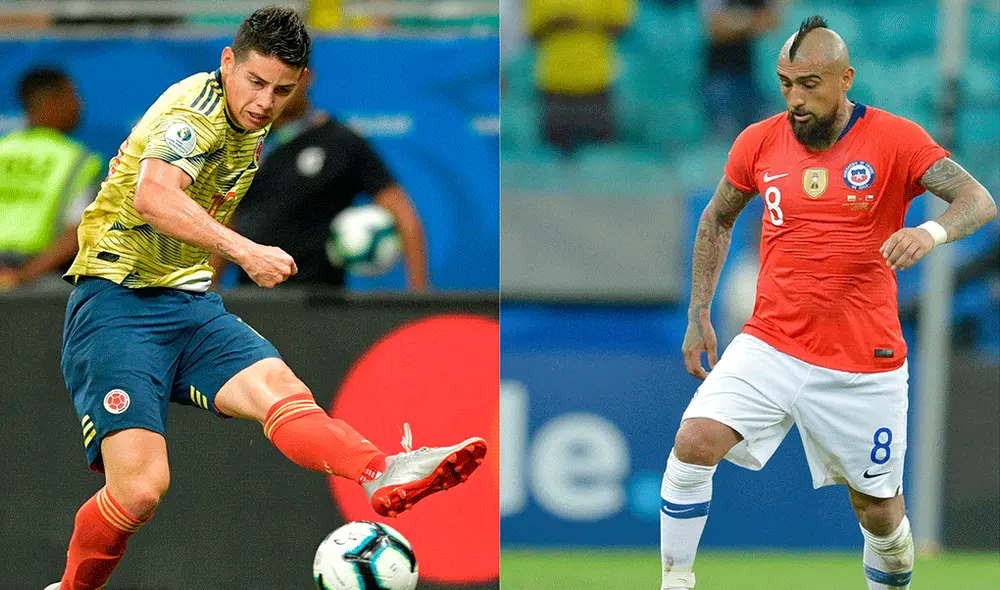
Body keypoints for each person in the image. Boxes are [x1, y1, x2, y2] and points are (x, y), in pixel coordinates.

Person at [48, 7, 486, 590]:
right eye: (255, 82)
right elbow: (155, 197)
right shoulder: (193, 114)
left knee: (285, 394)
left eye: (281, 90)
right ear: (228, 62)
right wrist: (245, 251)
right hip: (117, 307)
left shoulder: (255, 125)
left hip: (189, 308)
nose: (264, 101)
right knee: (140, 490)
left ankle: (381, 470)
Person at [660, 16, 996, 590]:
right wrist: (698, 315)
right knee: (693, 442)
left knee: (879, 513)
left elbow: (977, 199)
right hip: (771, 341)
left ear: (846, 78)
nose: (795, 98)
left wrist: (930, 233)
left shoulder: (896, 139)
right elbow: (717, 218)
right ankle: (675, 582)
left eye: (810, 84)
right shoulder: (758, 141)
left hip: (862, 361)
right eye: (787, 82)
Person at [226, 68, 429, 291]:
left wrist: (418, 294)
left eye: (284, 84)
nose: (273, 93)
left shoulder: (342, 143)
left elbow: (403, 214)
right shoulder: (243, 142)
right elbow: (226, 222)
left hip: (319, 302)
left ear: (306, 78)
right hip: (249, 298)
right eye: (264, 83)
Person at [0, 68, 102, 291]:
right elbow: (79, 231)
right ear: (51, 101)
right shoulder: (77, 159)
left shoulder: (2, 149)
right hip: (39, 278)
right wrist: (22, 277)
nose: (79, 105)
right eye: (72, 96)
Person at [525, 0, 636, 155]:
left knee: (603, 158)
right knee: (552, 159)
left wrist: (582, 19)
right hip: (554, 85)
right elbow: (530, 32)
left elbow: (622, 25)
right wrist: (558, 22)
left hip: (597, 83)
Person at [699, 0, 780, 141]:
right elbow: (716, 28)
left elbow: (772, 21)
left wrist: (737, 21)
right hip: (720, 79)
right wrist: (751, 23)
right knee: (725, 138)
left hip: (753, 79)